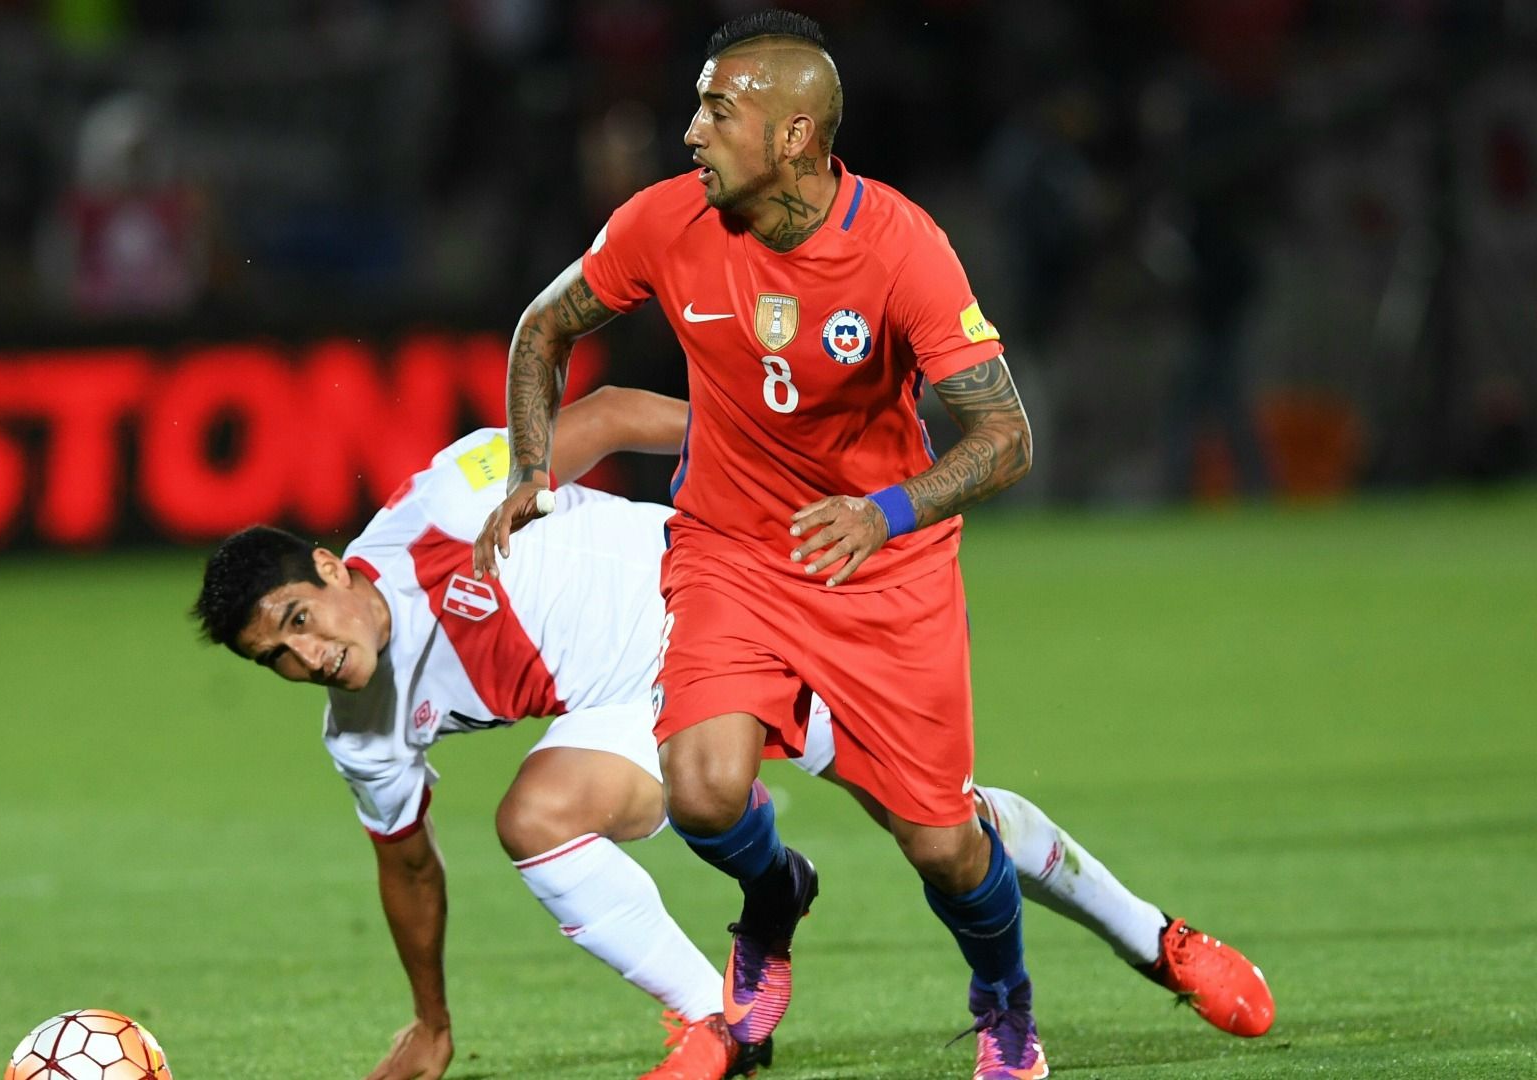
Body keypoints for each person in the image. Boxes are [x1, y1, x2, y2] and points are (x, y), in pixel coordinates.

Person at [198, 388, 1274, 1080]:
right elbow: (409, 868)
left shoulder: (443, 504)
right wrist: (430, 1023)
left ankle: (1157, 941)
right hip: (640, 708)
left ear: (333, 569)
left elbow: (612, 413)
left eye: (300, 622)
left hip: (736, 597)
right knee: (535, 819)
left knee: (941, 829)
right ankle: (706, 1021)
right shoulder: (362, 734)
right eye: (277, 659)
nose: (309, 658)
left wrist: (761, 462)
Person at [473, 11, 1049, 1078]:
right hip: (733, 550)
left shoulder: (901, 248)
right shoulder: (664, 222)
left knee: (942, 846)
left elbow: (1006, 434)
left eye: (717, 109)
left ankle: (1005, 1000)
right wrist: (526, 469)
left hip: (881, 565)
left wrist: (887, 510)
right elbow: (540, 329)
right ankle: (775, 894)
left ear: (794, 135)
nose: (691, 131)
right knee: (699, 789)